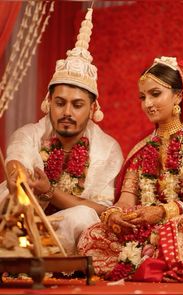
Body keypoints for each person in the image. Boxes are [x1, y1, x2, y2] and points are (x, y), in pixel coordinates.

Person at [78, 56, 183, 282]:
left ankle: (169, 256)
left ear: (178, 96)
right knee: (92, 234)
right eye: (142, 97)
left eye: (155, 94)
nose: (147, 104)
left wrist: (165, 211)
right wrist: (116, 215)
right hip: (151, 233)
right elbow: (126, 201)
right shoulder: (140, 150)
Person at [0, 8, 123, 256]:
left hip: (63, 227)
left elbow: (100, 209)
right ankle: (22, 246)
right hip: (24, 213)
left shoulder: (106, 148)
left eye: (77, 105)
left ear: (93, 108)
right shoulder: (30, 133)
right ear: (49, 102)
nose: (67, 111)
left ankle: (28, 250)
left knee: (84, 216)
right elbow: (18, 158)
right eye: (60, 102)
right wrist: (18, 179)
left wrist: (49, 191)